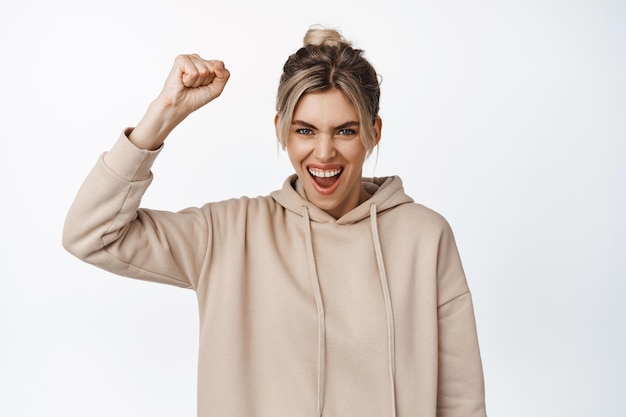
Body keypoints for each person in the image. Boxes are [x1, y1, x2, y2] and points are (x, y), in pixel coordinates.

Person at [63, 27, 487, 417]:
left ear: (373, 132)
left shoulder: (425, 237)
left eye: (345, 131)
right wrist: (163, 114)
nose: (323, 154)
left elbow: (461, 401)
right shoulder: (228, 234)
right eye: (305, 131)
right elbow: (90, 234)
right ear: (281, 130)